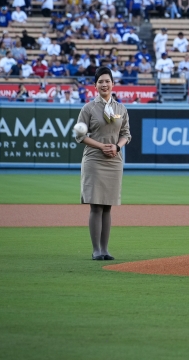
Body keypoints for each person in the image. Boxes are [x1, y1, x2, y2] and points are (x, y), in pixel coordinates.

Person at [73, 67, 132, 261]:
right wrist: (102, 146)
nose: (104, 84)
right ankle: (96, 249)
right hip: (94, 159)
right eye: (100, 82)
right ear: (95, 85)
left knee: (108, 206)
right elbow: (79, 136)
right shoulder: (88, 108)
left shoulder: (121, 109)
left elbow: (126, 135)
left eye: (107, 81)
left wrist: (117, 147)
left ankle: (105, 249)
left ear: (113, 84)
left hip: (114, 160)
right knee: (96, 206)